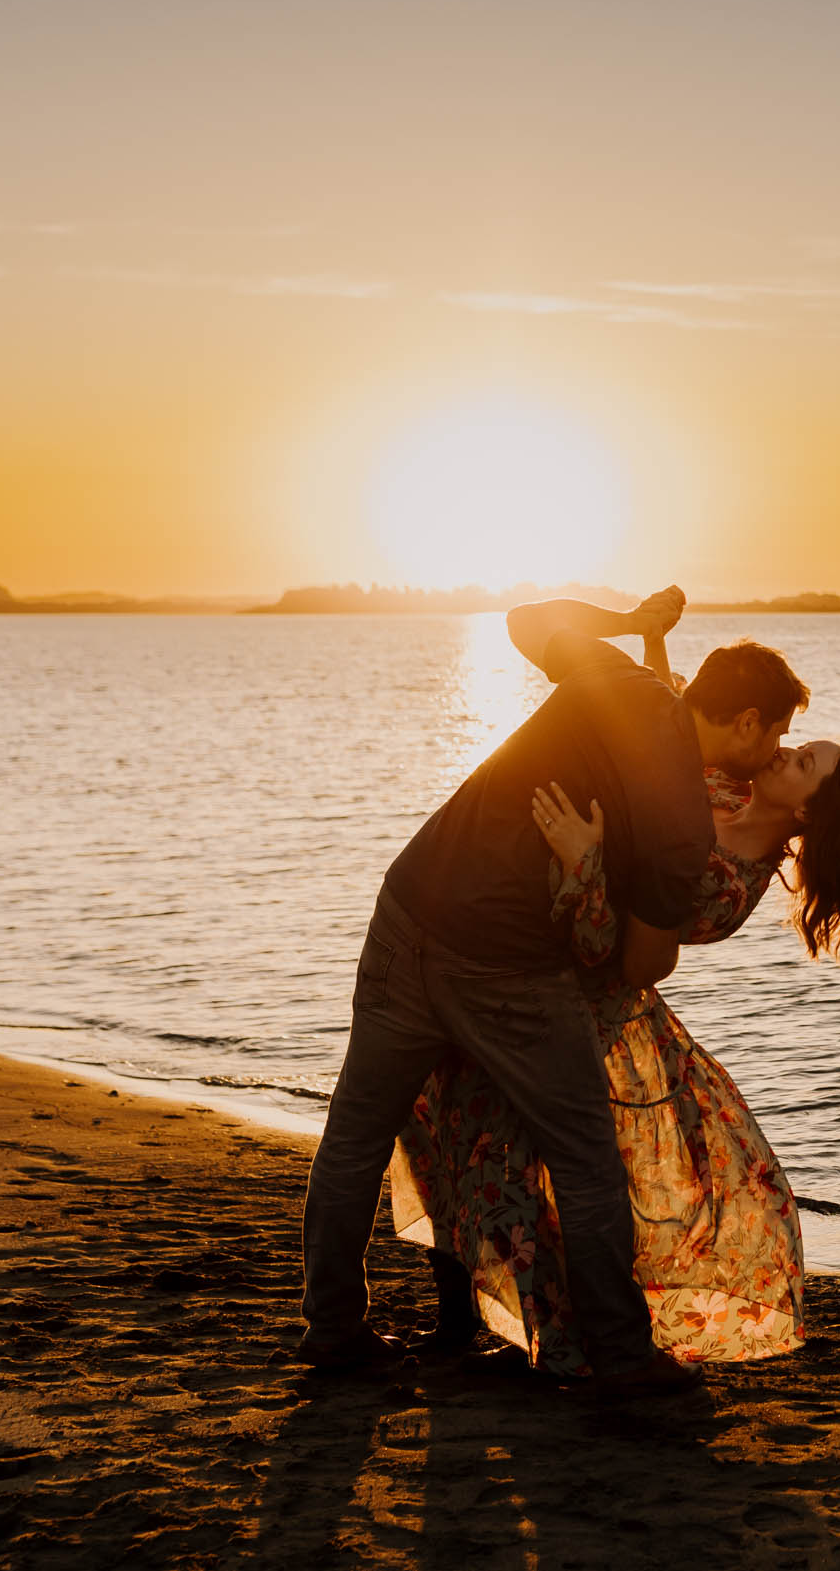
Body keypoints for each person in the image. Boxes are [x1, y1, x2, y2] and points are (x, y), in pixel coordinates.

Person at [391, 631, 840, 1373]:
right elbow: (664, 731)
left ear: (812, 813)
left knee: (515, 1157)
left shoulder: (732, 885)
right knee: (445, 1118)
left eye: (804, 759)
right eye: (792, 739)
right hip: (518, 945)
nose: (785, 751)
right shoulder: (722, 779)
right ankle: (455, 1317)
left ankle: (544, 1329)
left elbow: (625, 956)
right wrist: (652, 635)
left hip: (584, 1004)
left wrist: (584, 859)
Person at [296, 586, 720, 1389]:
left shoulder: (619, 684)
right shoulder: (686, 817)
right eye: (774, 741)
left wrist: (632, 625)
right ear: (746, 727)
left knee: (356, 1130)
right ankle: (623, 1356)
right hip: (506, 961)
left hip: (412, 901)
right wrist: (596, 866)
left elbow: (527, 617)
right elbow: (642, 965)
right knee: (589, 1159)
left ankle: (331, 1328)